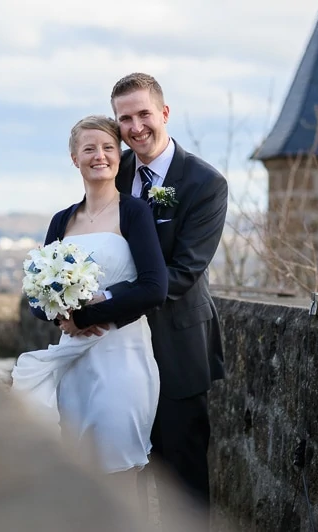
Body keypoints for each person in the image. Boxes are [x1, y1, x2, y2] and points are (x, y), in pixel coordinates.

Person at [11, 115, 167, 508]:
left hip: (122, 356)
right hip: (75, 362)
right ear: (74, 158)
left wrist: (88, 316)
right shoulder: (62, 220)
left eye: (109, 148)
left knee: (119, 466)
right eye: (89, 149)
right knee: (79, 470)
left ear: (120, 155)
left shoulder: (135, 213)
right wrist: (60, 314)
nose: (100, 156)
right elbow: (34, 294)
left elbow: (154, 287)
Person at [103, 72, 228, 528]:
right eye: (124, 119)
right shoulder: (116, 175)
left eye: (143, 114)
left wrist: (104, 304)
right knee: (122, 471)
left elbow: (183, 273)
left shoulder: (205, 184)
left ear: (165, 113)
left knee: (183, 481)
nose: (135, 127)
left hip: (177, 348)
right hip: (118, 352)